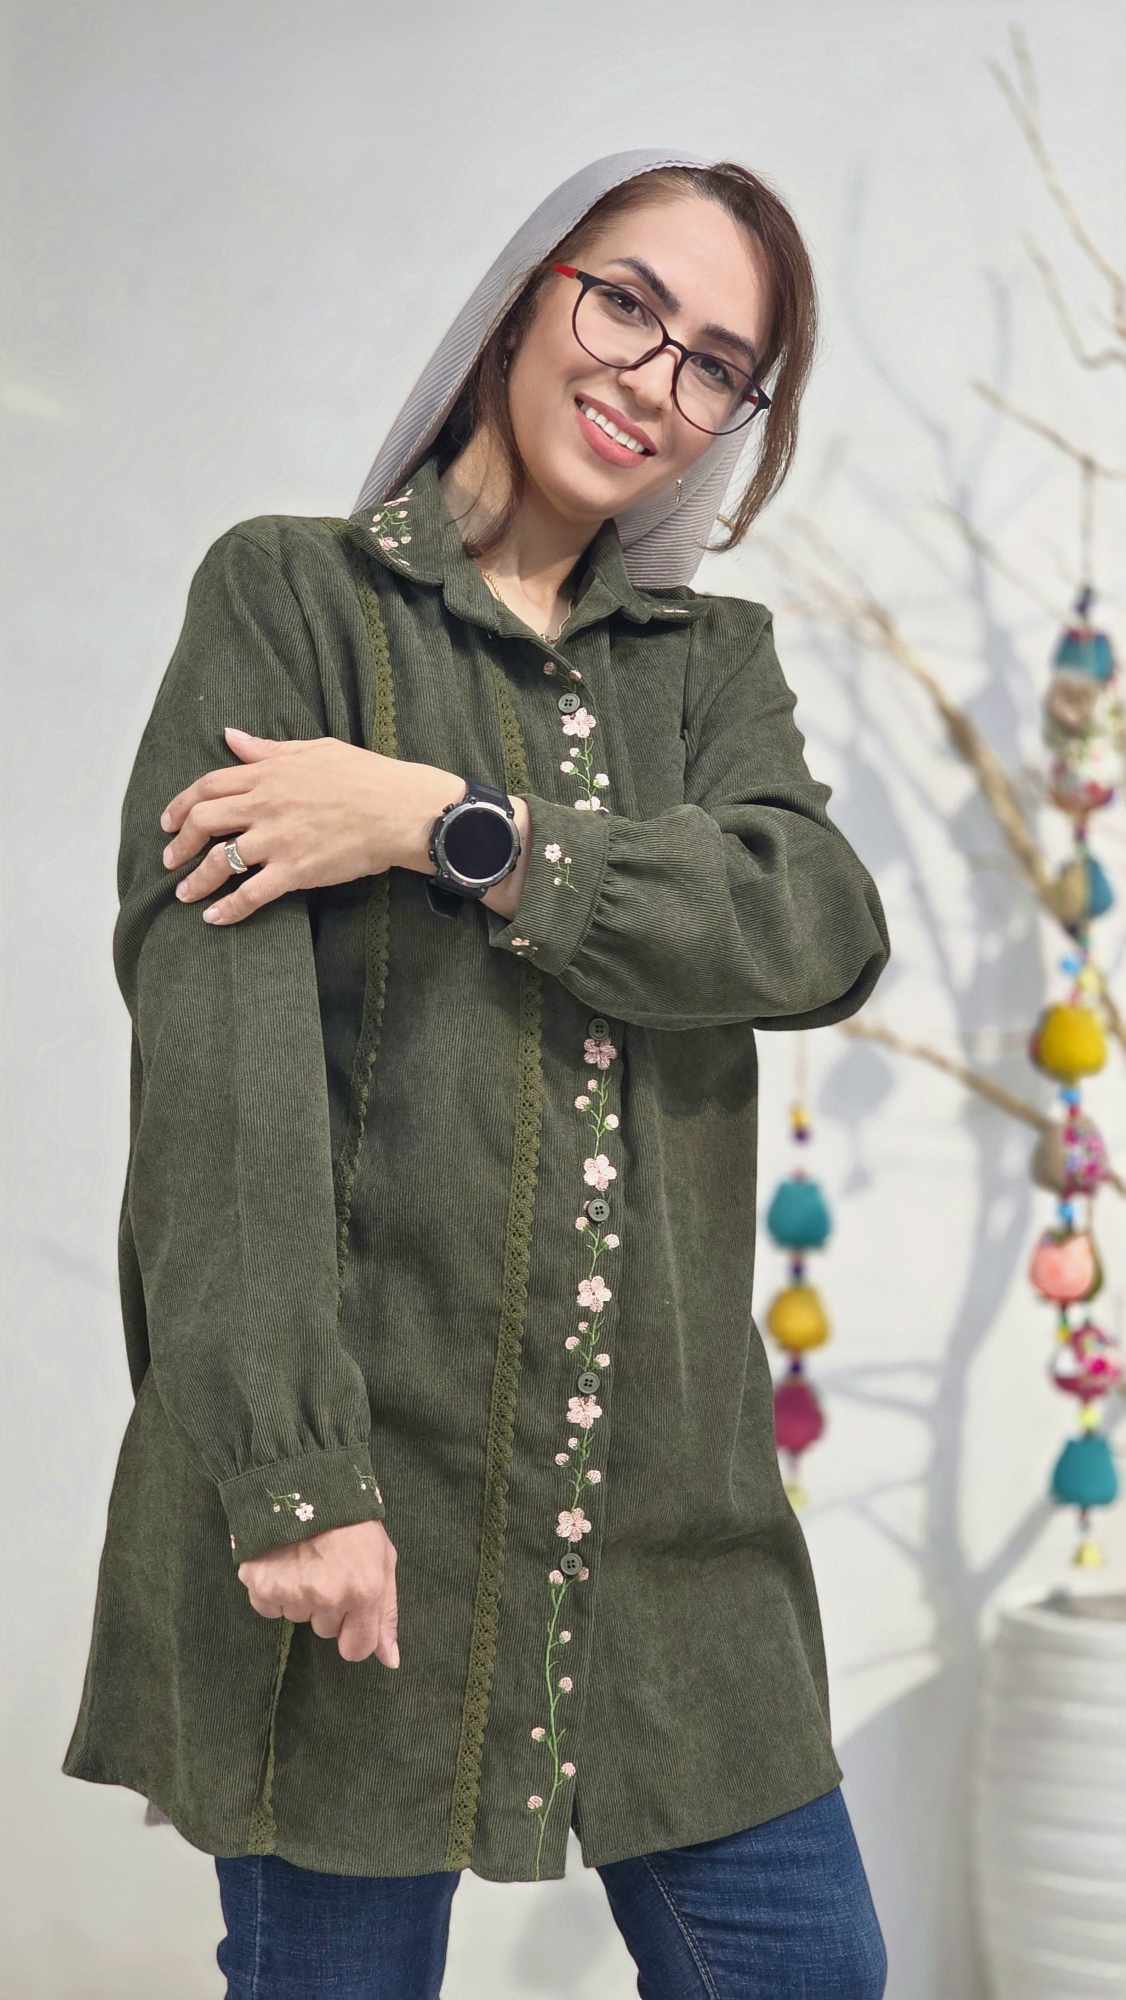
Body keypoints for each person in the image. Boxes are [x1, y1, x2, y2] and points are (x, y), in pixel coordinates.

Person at [61, 145, 891, 1997]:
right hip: (372, 1497)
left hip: (671, 1532)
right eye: (626, 304)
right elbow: (221, 1075)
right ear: (528, 293)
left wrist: (453, 827)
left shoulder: (707, 670)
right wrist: (291, 1474)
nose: (651, 379)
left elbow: (812, 923)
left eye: (715, 364)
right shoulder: (290, 602)